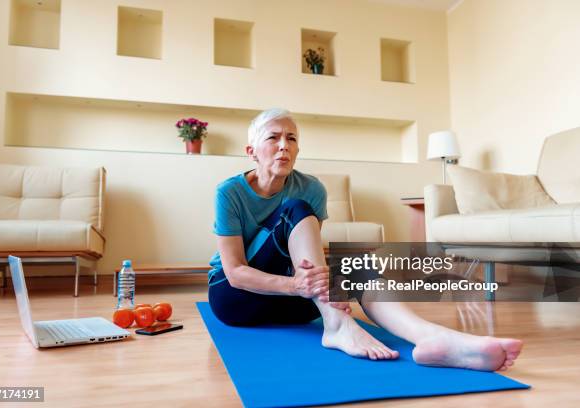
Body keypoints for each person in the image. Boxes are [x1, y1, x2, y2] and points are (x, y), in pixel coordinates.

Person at [207, 108, 522, 370]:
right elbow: (235, 272)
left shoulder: (312, 188)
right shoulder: (230, 192)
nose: (283, 145)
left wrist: (329, 281)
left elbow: (306, 255)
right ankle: (337, 326)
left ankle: (432, 337)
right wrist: (298, 285)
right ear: (252, 152)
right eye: (273, 138)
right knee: (295, 209)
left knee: (354, 265)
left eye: (291, 138)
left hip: (294, 304)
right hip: (237, 300)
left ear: (298, 150)